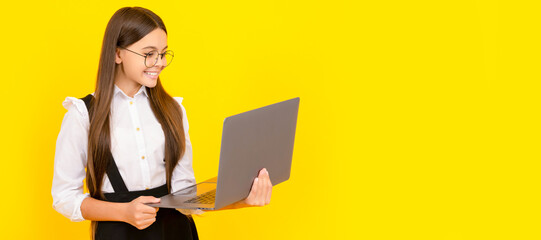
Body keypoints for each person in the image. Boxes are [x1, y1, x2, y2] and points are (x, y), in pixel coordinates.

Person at [51, 6, 273, 240]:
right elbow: (65, 197)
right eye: (149, 54)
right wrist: (124, 212)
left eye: (164, 53)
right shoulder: (83, 115)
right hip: (117, 234)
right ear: (118, 54)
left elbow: (185, 199)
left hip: (175, 232)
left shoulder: (173, 110)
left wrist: (242, 200)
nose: (161, 62)